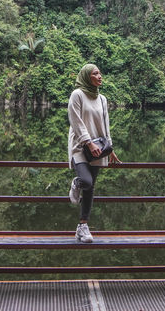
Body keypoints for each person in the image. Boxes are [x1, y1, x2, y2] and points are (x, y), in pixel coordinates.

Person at [67, 63, 120, 243]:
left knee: (90, 189)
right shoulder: (77, 95)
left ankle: (83, 227)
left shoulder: (102, 99)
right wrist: (88, 143)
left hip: (99, 148)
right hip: (80, 147)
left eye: (100, 73)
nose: (100, 76)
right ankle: (76, 182)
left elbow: (105, 125)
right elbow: (75, 120)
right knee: (86, 181)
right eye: (95, 74)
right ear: (87, 76)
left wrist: (109, 148)